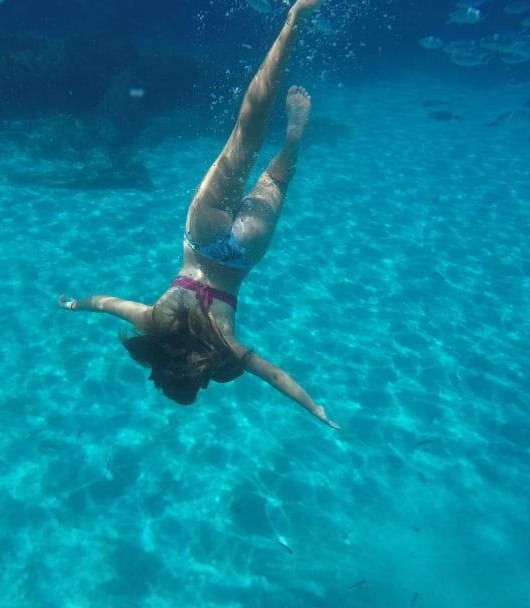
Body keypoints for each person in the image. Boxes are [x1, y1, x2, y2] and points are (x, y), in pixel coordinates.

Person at [58, 0, 338, 430]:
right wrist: (74, 304)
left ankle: (294, 139)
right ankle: (293, 21)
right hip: (203, 238)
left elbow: (274, 375)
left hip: (243, 251)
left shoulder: (224, 346)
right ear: (161, 370)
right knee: (246, 134)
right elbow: (104, 303)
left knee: (277, 178)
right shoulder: (152, 321)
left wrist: (316, 409)